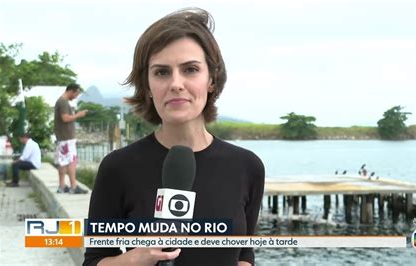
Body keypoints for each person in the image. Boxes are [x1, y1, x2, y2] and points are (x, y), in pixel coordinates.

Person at [84, 8, 265, 266]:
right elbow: (94, 261)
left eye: (190, 69)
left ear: (211, 79)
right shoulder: (118, 167)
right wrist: (136, 259)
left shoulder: (247, 166)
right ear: (147, 85)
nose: (176, 83)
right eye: (161, 72)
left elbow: (244, 254)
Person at [54, 83, 88, 194]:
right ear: (71, 91)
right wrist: (78, 115)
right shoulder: (63, 102)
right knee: (71, 161)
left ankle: (62, 186)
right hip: (66, 137)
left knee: (63, 162)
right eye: (76, 94)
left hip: (62, 137)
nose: (76, 96)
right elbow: (65, 118)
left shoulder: (61, 101)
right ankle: (73, 186)